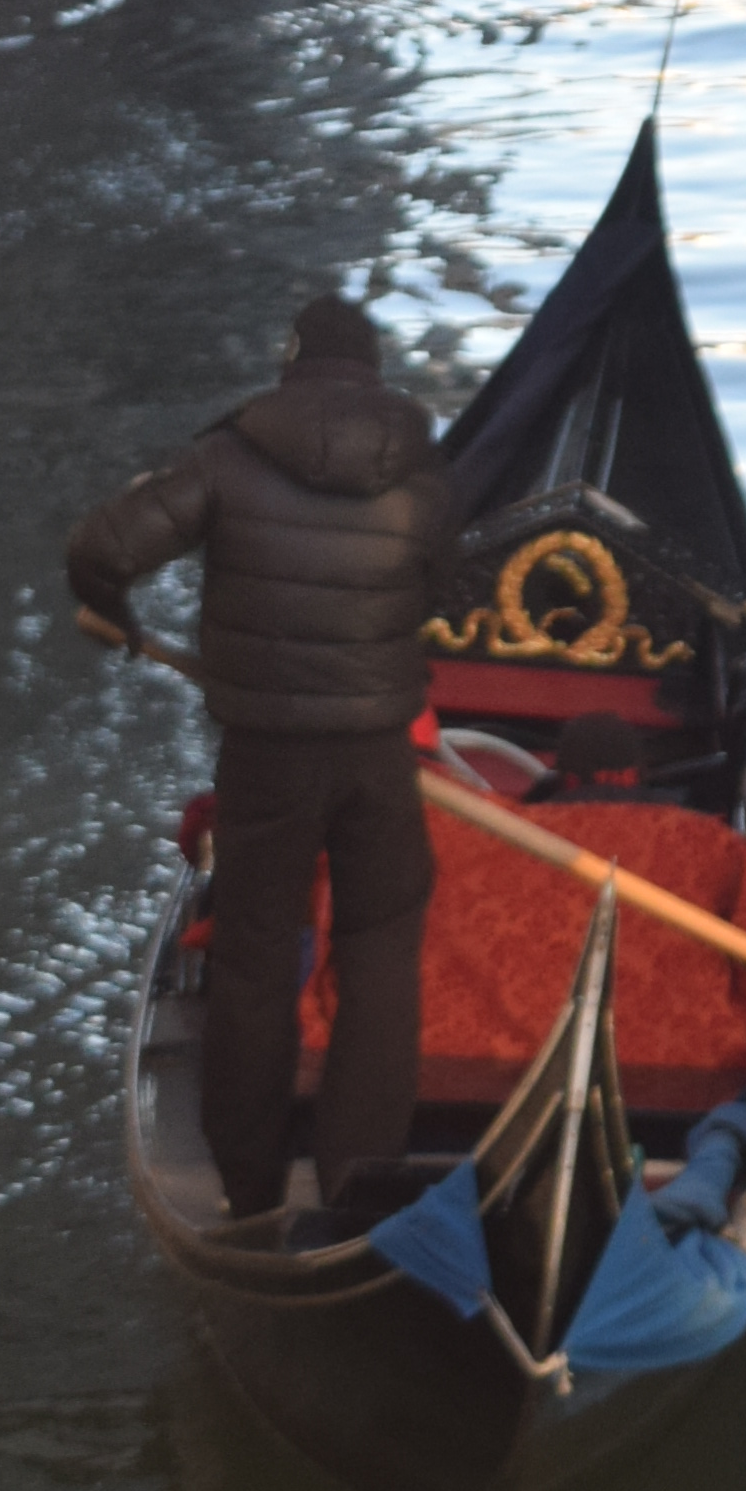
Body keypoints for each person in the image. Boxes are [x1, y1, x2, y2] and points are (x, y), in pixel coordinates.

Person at [66, 292, 460, 1231]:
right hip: (376, 758)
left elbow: (100, 547)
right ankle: (359, 1184)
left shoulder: (230, 456)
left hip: (267, 755)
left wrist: (123, 625)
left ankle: (248, 1189)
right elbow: (444, 590)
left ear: (291, 365)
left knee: (250, 958)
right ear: (373, 372)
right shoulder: (426, 473)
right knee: (379, 952)